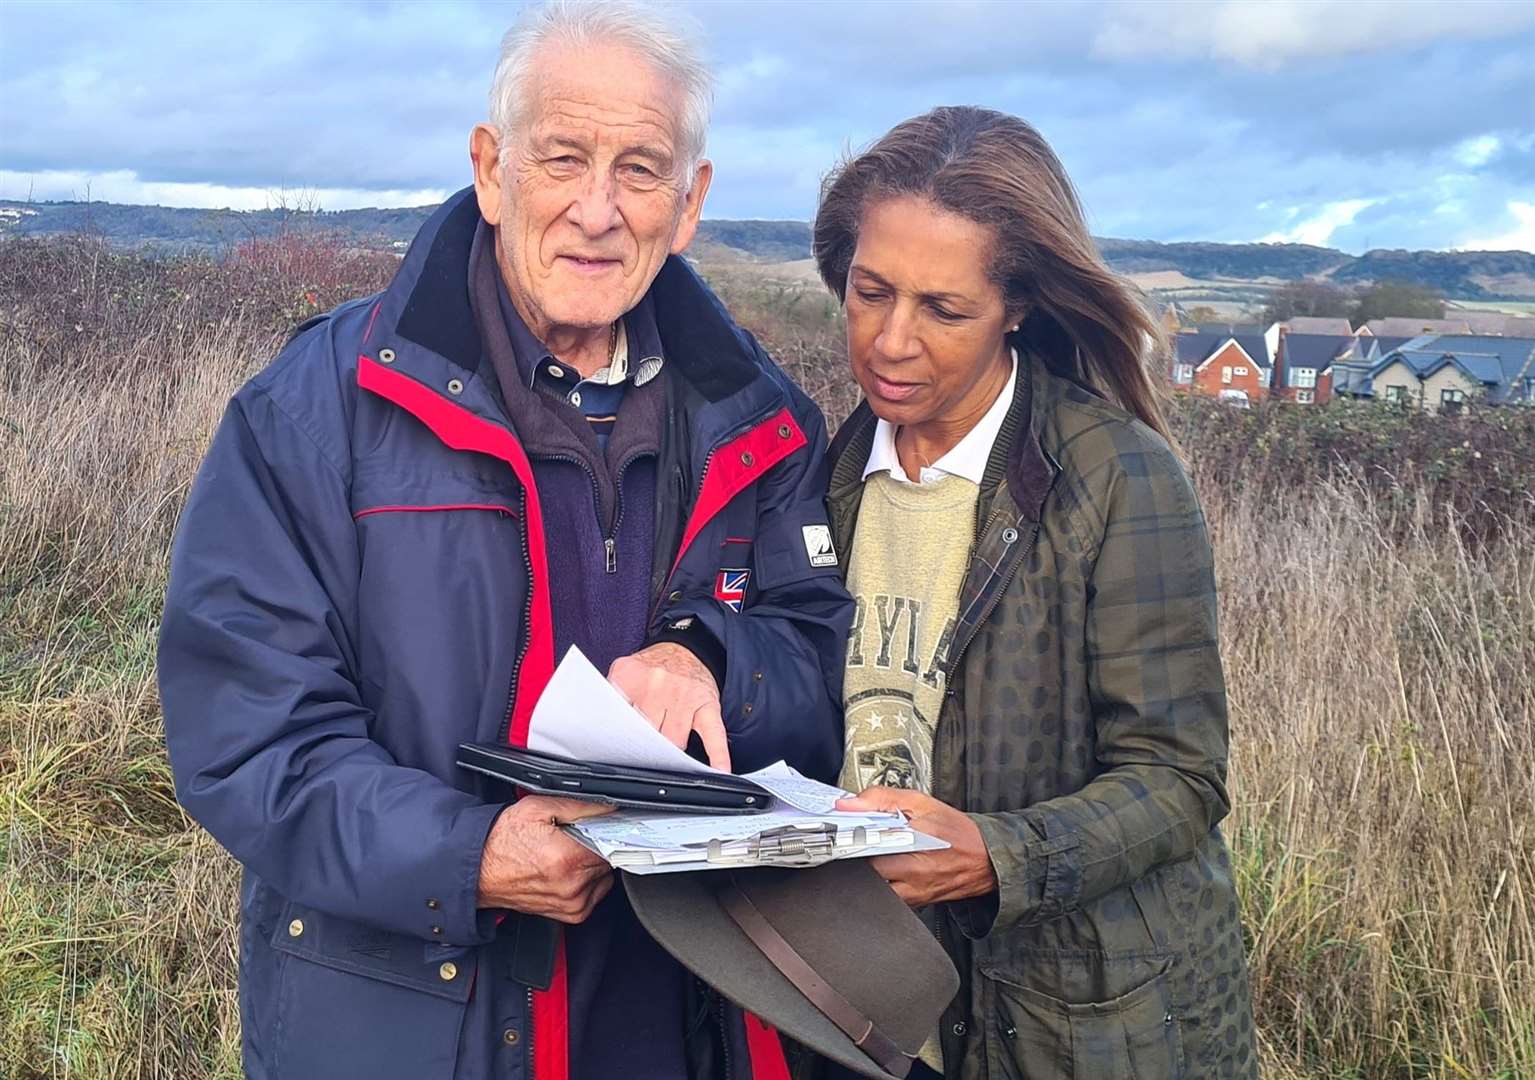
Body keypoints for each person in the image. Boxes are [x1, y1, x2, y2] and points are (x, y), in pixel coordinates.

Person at [156, 3, 852, 1077]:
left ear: (689, 201)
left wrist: (711, 654)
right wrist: (467, 854)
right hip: (423, 1023)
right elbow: (247, 732)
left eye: (638, 168)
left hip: (701, 1020)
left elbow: (816, 657)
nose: (597, 209)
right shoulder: (312, 413)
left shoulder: (760, 419)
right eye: (562, 157)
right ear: (490, 170)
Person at [813, 107, 1257, 1079]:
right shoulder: (817, 482)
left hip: (1071, 1029)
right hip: (867, 1017)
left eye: (941, 309)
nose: (889, 341)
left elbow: (1179, 778)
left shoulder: (1115, 478)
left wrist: (996, 856)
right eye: (868, 291)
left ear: (1015, 305)